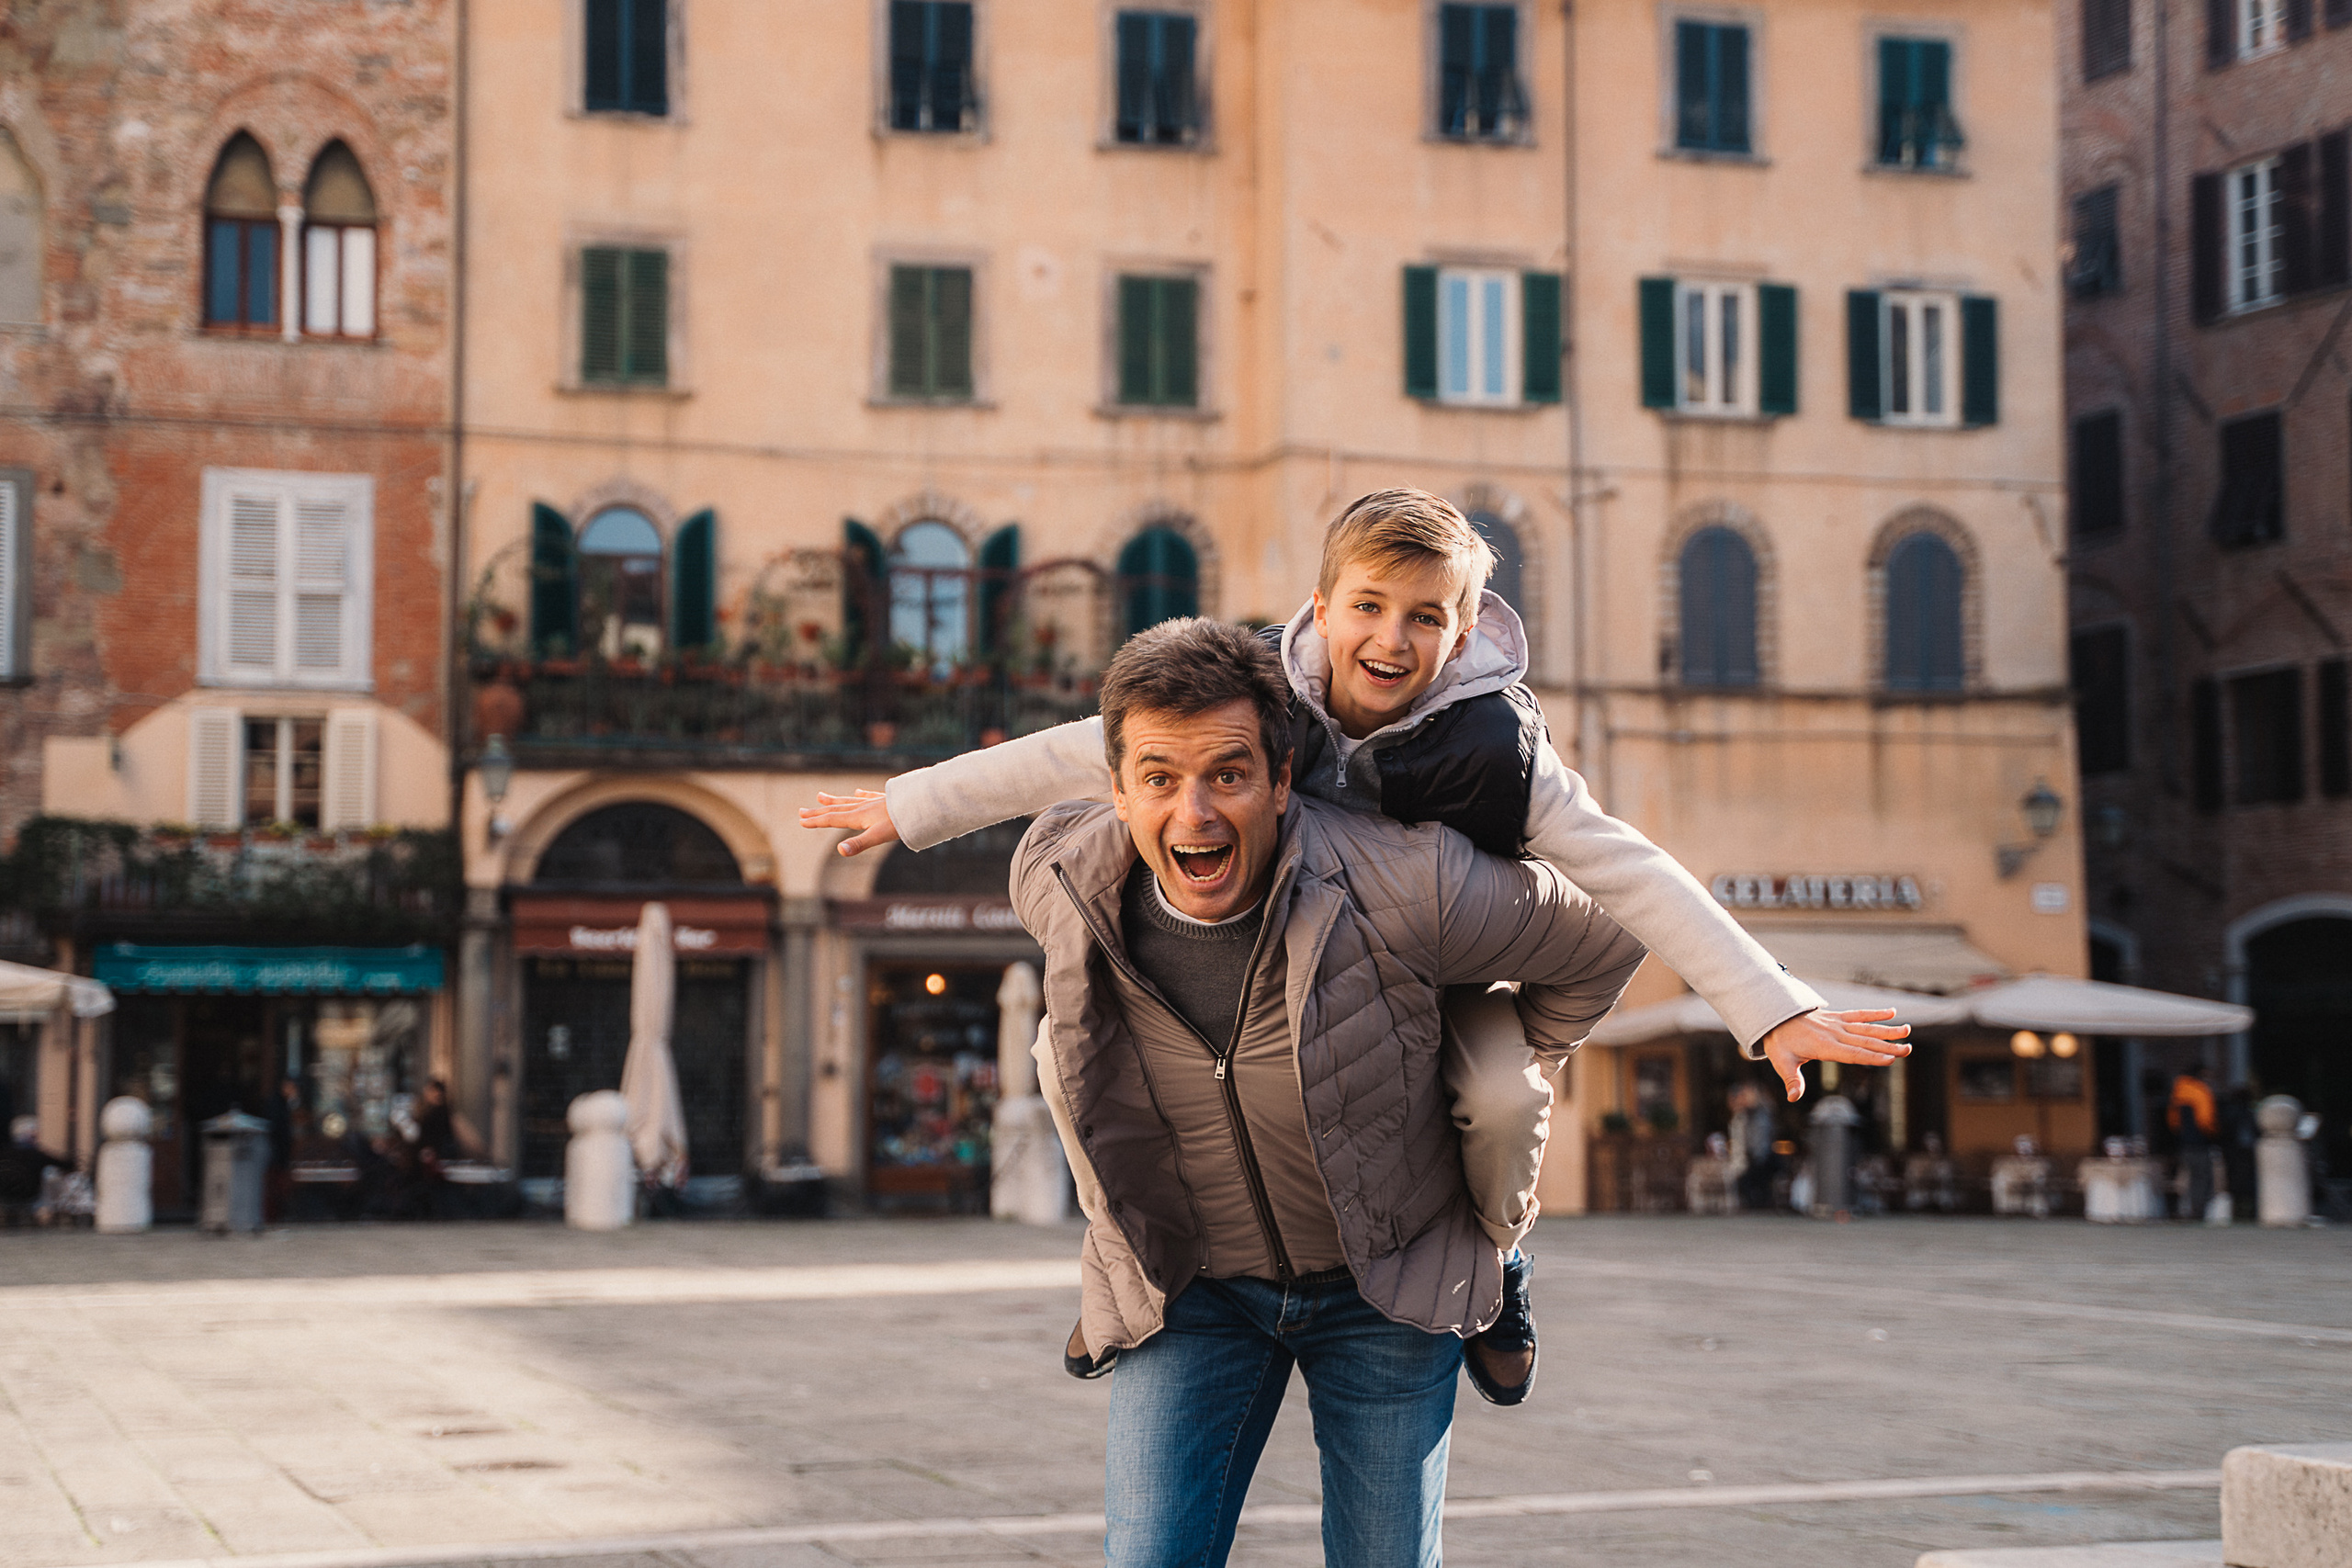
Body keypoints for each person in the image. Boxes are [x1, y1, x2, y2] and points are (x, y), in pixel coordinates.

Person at [803, 488, 1908, 1402]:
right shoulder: (1261, 688)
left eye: (1424, 617)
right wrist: (915, 804)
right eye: (1369, 607)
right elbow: (1085, 749)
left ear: (1462, 631)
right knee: (1076, 1061)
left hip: (1448, 964)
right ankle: (1130, 1281)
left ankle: (1499, 1262)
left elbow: (1625, 868)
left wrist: (1769, 1005)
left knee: (1503, 1101)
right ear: (1320, 609)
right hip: (1313, 956)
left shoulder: (1499, 752)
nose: (1391, 638)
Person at [1, 1115, 72, 1226]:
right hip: (31, 1195)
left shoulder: (4, 1152)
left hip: (5, 1196)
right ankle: (53, 1214)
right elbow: (67, 1164)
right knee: (51, 1175)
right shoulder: (37, 1154)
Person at [2170, 1063, 2217, 1220]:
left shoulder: (2178, 1091)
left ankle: (2186, 1209)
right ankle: (2198, 1212)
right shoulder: (2200, 1091)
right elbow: (2206, 1120)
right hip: (2200, 1143)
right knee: (2203, 1179)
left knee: (2188, 1178)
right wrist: (2214, 1133)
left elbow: (2173, 1121)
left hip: (2184, 1143)